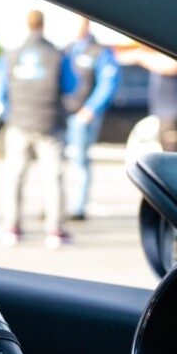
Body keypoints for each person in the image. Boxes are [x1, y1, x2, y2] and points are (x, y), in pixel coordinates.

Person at [0, 9, 77, 248]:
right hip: (49, 122)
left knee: (15, 176)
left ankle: (12, 226)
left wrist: (13, 113)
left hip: (19, 122)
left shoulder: (10, 55)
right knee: (53, 177)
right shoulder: (57, 55)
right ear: (44, 25)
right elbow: (71, 87)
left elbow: (1, 92)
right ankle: (55, 230)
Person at [63, 19, 119, 220]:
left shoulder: (100, 51)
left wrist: (91, 108)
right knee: (59, 160)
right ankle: (57, 204)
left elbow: (108, 82)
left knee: (79, 159)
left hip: (83, 115)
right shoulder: (67, 50)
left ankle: (78, 207)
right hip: (64, 113)